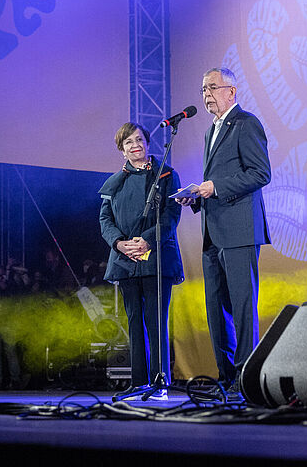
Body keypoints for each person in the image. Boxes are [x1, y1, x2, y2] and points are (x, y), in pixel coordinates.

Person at [176, 67, 271, 398]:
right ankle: (226, 377)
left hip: (240, 230)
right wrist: (196, 197)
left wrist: (215, 187)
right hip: (212, 232)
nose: (206, 94)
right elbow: (213, 184)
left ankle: (245, 380)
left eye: (212, 87)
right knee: (216, 310)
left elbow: (260, 173)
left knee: (243, 307)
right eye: (203, 89)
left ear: (232, 91)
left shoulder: (246, 123)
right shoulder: (210, 132)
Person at [99, 122, 184, 397]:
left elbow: (171, 215)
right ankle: (139, 382)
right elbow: (105, 219)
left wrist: (147, 239)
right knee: (134, 321)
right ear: (121, 151)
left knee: (156, 319)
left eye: (139, 140)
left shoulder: (166, 174)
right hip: (126, 259)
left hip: (156, 255)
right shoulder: (114, 183)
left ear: (147, 143)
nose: (135, 145)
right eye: (128, 143)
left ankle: (161, 382)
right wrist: (119, 243)